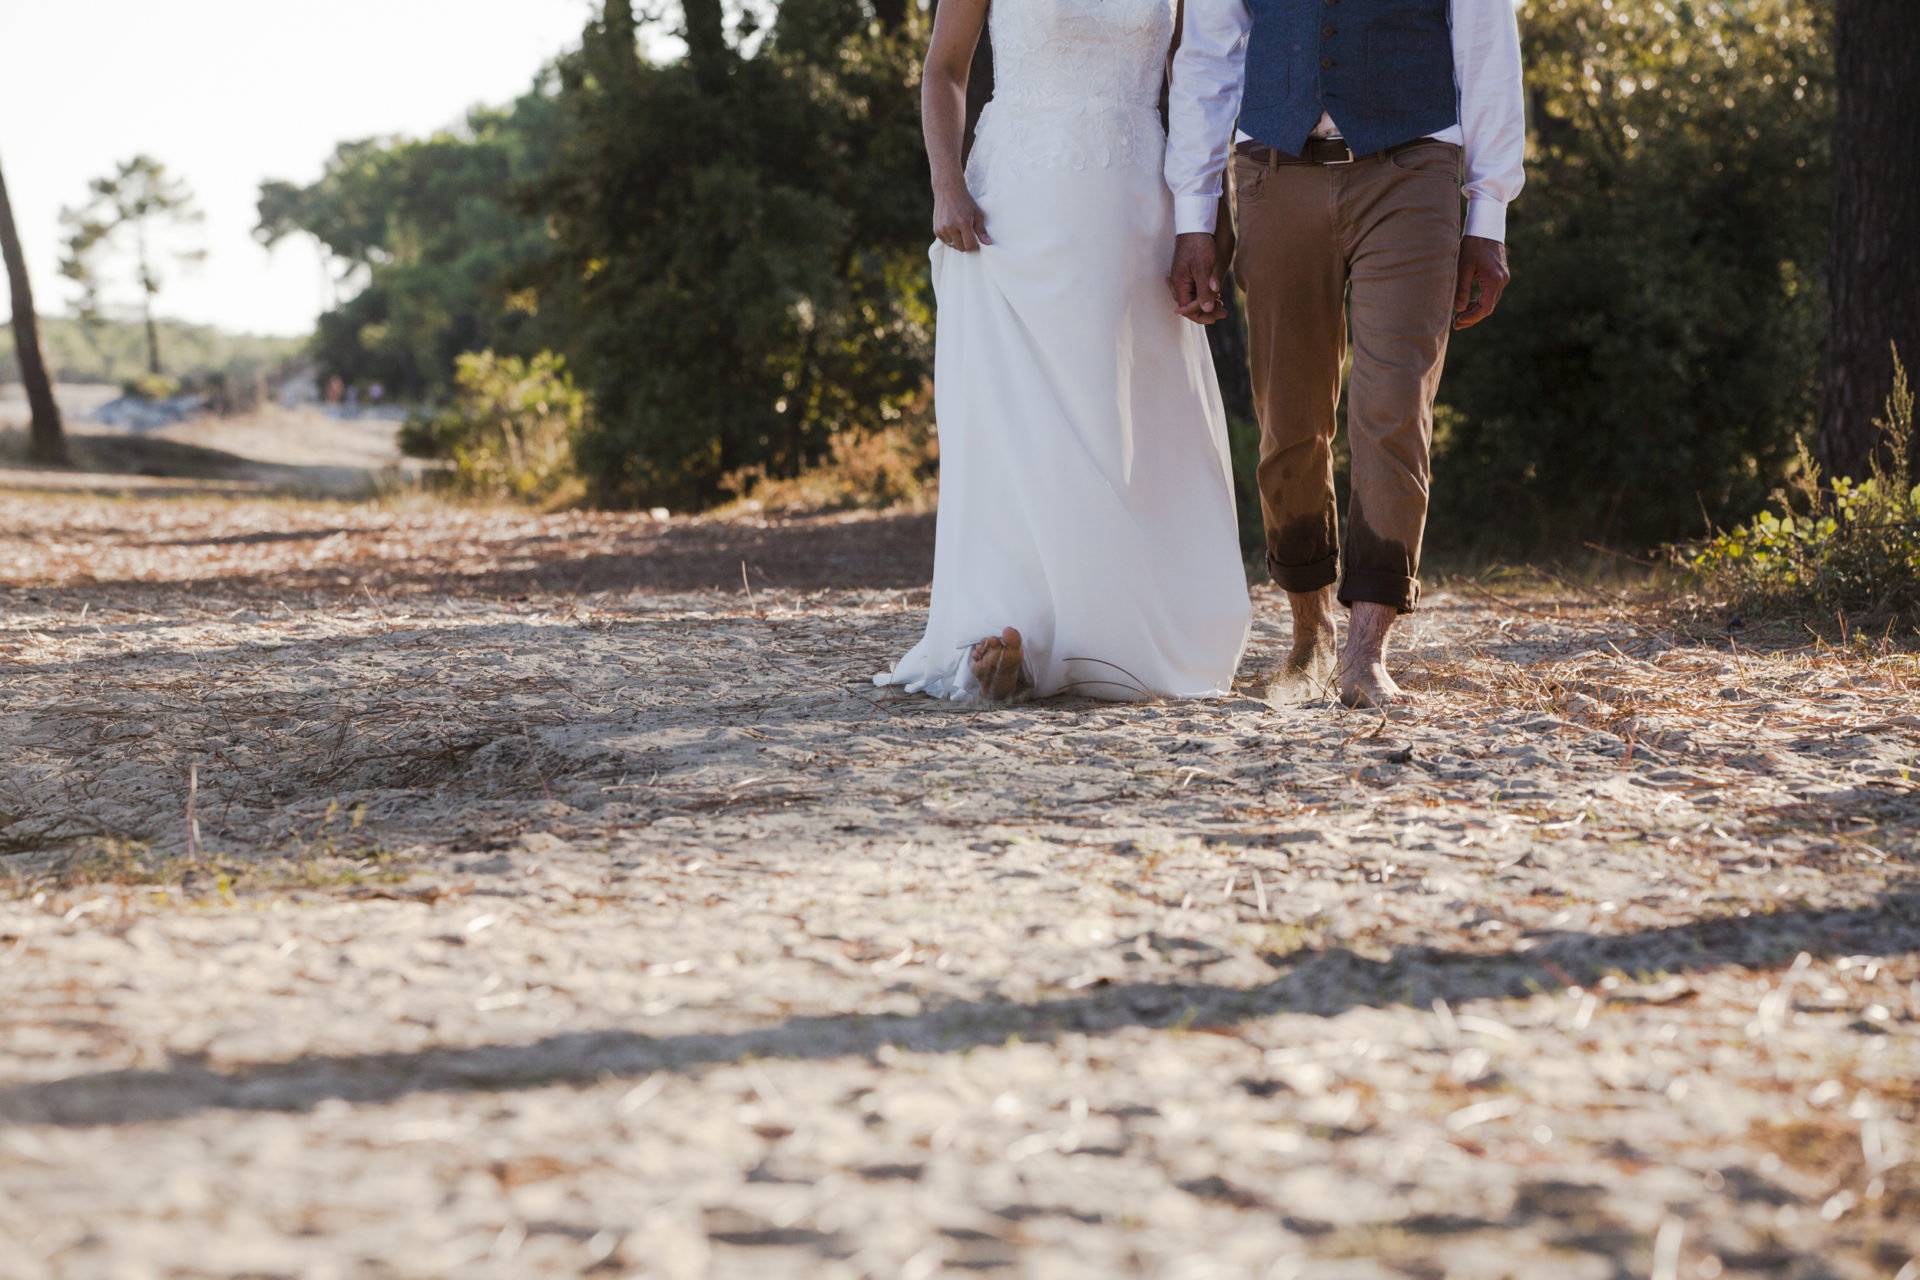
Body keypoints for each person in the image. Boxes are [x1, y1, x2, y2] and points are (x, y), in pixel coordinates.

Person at [876, 0, 1253, 704]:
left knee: (1136, 422)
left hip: (1137, 209)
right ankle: (1017, 628)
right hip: (1014, 207)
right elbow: (945, 70)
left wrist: (1207, 215)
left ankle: (1126, 633)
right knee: (1023, 424)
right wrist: (946, 185)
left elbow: (1195, 82)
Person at [1165, 0, 1525, 708]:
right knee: (1288, 417)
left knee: (1393, 407)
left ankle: (1366, 652)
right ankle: (1309, 636)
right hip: (1274, 172)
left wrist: (1489, 214)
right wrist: (1194, 214)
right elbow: (1208, 54)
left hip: (1412, 168)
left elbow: (1487, 48)